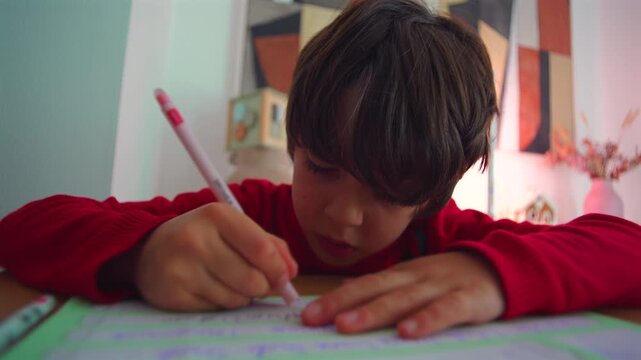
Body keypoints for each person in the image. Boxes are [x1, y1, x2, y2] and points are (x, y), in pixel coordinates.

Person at [1, 0, 640, 340]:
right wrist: (138, 254)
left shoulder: (452, 244)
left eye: (390, 191)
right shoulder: (244, 215)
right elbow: (22, 228)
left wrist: (495, 276)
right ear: (294, 141)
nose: (344, 214)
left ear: (432, 195)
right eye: (325, 167)